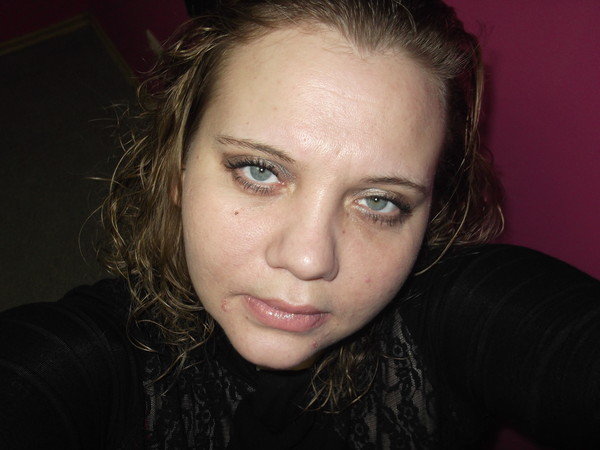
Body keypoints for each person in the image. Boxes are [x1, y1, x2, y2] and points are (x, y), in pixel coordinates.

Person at [1, 0, 598, 448]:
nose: (310, 259)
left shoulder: (457, 314)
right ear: (176, 166)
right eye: (259, 170)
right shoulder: (89, 358)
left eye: (379, 201)